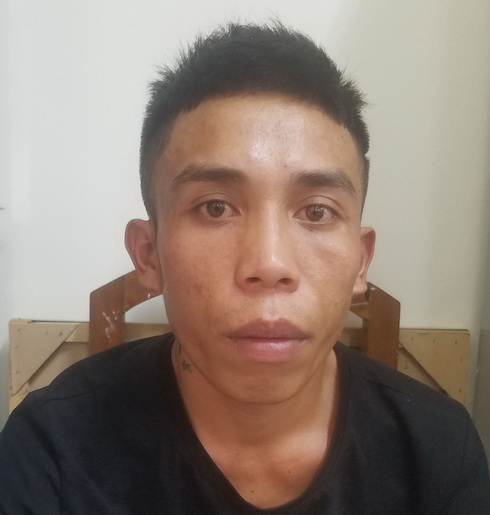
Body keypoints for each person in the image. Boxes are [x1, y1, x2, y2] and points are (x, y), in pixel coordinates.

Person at [0, 22, 489, 514]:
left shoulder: (440, 453)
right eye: (215, 207)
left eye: (316, 211)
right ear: (149, 255)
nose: (270, 265)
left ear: (360, 262)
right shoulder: (51, 450)